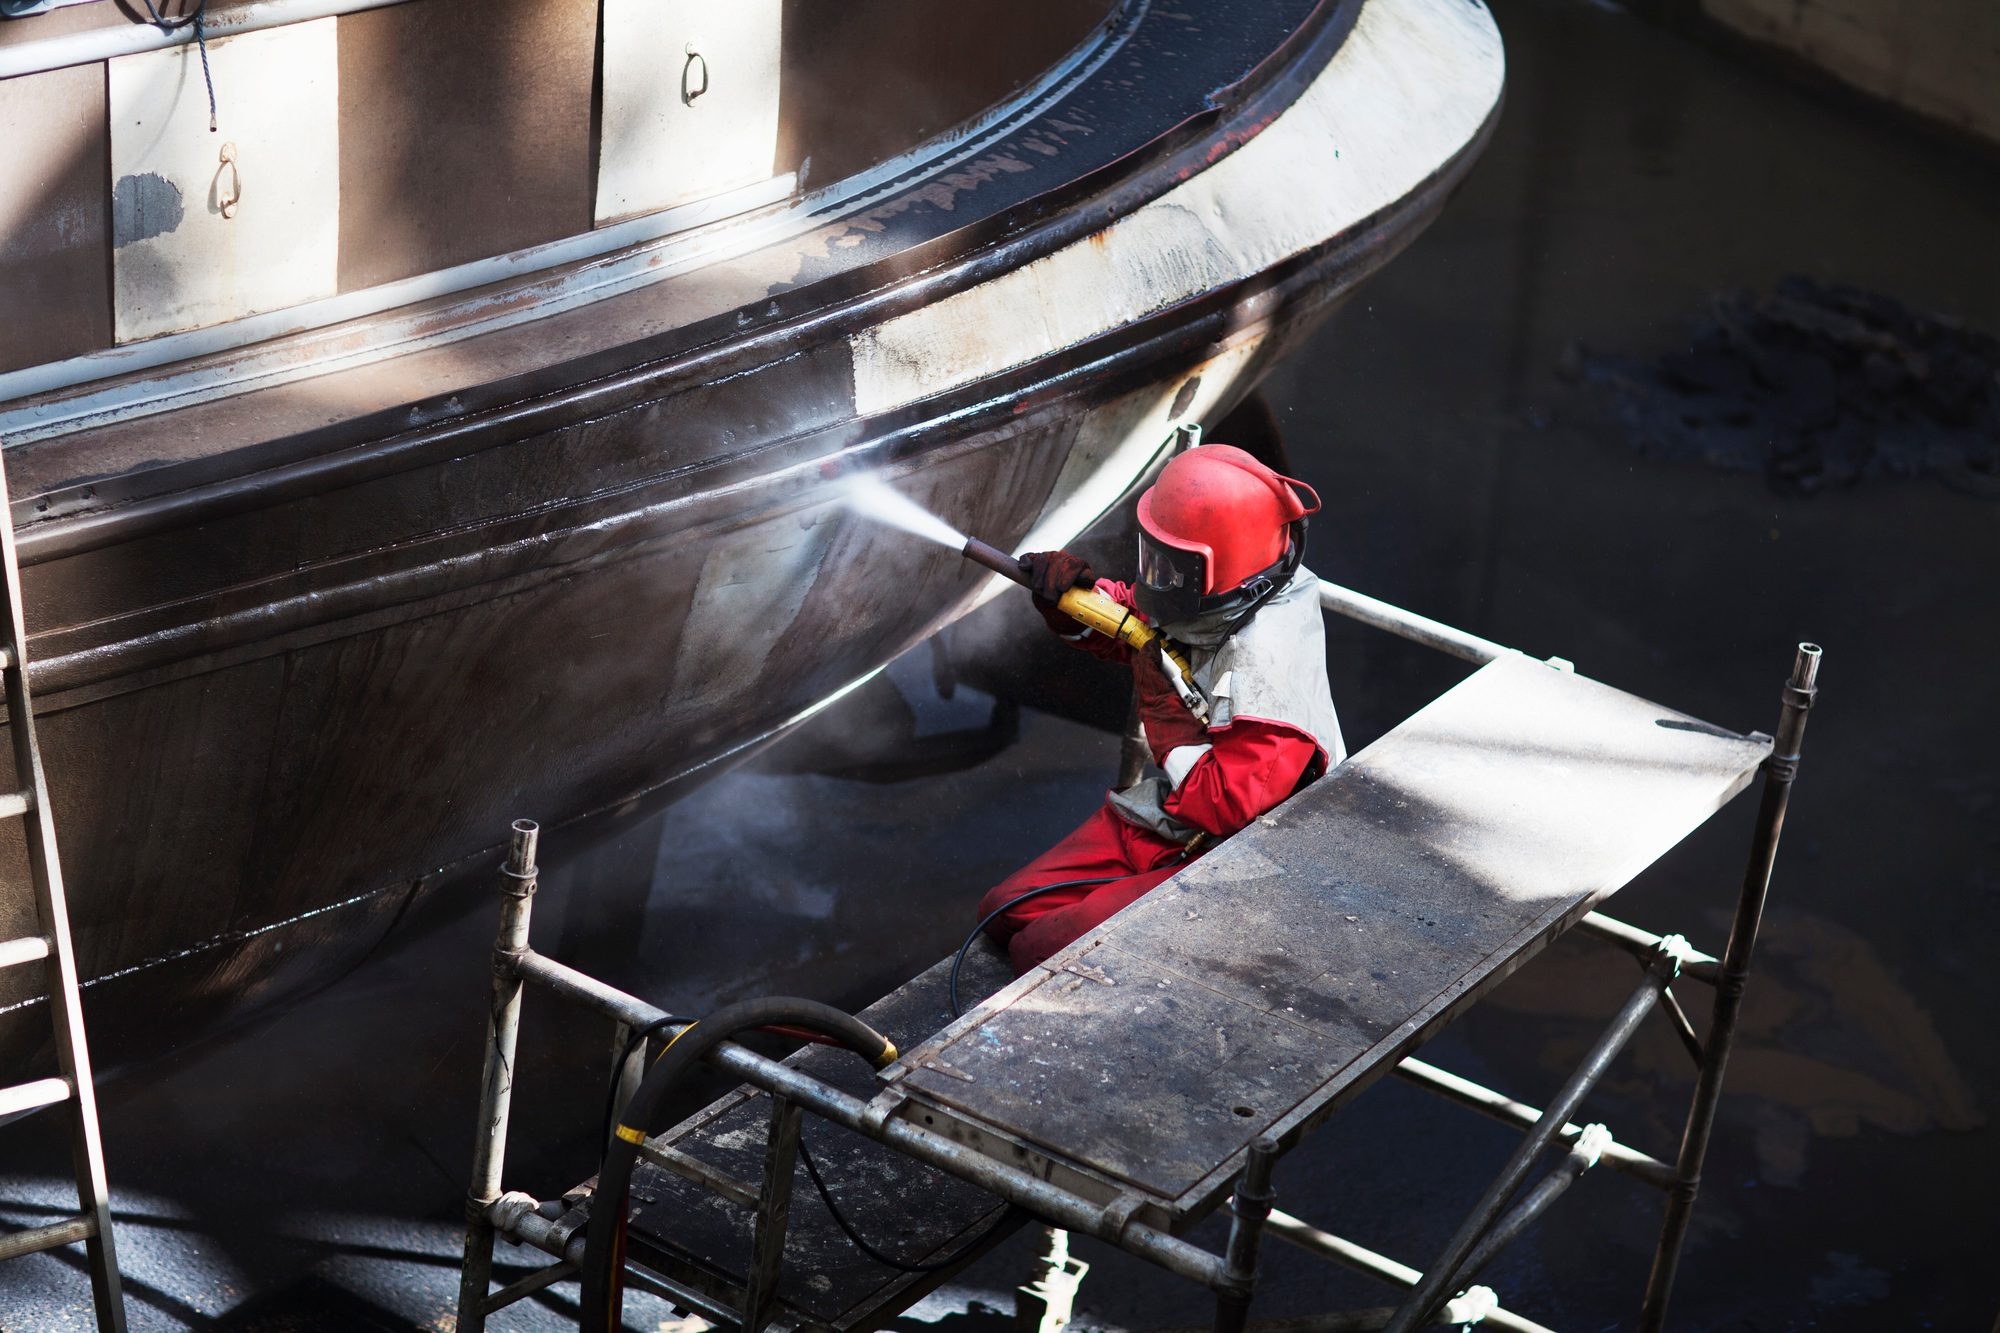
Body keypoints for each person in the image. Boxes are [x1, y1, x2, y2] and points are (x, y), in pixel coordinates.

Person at [977, 443, 1346, 972]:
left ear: (1216, 569)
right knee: (1005, 913)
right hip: (1174, 816)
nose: (1154, 578)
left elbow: (1224, 806)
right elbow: (1140, 628)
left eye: (1170, 568)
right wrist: (1070, 599)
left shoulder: (1270, 676)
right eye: (1155, 558)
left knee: (1036, 951)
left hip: (1238, 857)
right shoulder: (1227, 595)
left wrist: (1162, 714)